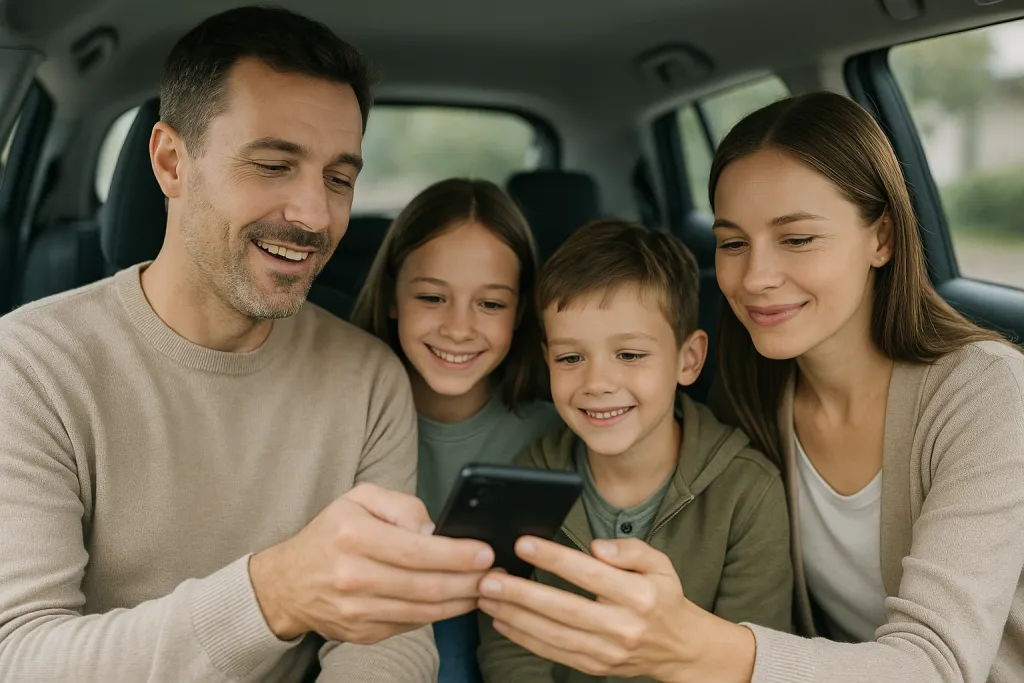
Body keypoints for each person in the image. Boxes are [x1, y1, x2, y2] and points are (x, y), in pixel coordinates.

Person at [0, 7, 495, 682]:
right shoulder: (31, 364)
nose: (315, 215)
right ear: (172, 162)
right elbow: (21, 656)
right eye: (272, 164)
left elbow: (385, 637)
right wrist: (273, 593)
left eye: (340, 178)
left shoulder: (368, 377)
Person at [472, 91, 1024, 683]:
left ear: (882, 238)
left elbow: (937, 666)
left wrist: (693, 646)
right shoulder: (751, 396)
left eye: (798, 238)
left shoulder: (983, 392)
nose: (755, 277)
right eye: (733, 243)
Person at [476, 219, 793, 682]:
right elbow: (511, 650)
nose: (597, 383)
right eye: (570, 358)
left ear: (688, 359)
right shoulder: (525, 482)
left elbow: (750, 659)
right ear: (548, 361)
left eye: (629, 355)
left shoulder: (746, 491)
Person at [351, 177, 563, 682]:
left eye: (490, 304)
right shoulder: (348, 414)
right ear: (391, 297)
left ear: (520, 313)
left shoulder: (557, 428)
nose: (459, 329)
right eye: (432, 297)